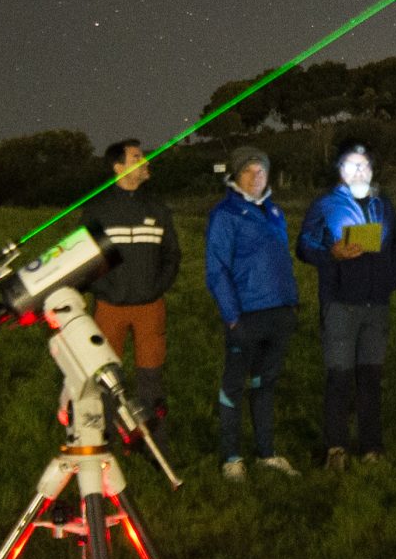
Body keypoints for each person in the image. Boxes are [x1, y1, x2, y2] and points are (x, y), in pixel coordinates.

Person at [296, 139, 396, 468]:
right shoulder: (325, 205)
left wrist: (390, 281)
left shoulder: (383, 205)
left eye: (364, 165)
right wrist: (331, 253)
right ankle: (336, 447)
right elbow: (303, 246)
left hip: (376, 304)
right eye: (352, 165)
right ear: (340, 170)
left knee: (370, 378)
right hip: (340, 304)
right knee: (339, 378)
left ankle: (372, 446)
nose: (359, 170)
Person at [205, 145, 300, 479]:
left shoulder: (274, 213)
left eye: (261, 170)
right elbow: (216, 269)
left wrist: (290, 304)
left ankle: (266, 452)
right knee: (234, 386)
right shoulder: (225, 215)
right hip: (245, 316)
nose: (256, 176)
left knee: (265, 384)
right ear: (236, 176)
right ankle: (232, 458)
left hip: (278, 313)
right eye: (249, 171)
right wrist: (232, 317)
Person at [80, 139, 181, 431]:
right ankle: (108, 436)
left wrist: (157, 287)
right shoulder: (97, 210)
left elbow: (171, 254)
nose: (146, 161)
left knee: (150, 375)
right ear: (119, 167)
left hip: (149, 306)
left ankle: (152, 440)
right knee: (107, 375)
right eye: (138, 157)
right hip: (110, 306)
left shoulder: (157, 208)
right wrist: (105, 289)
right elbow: (86, 259)